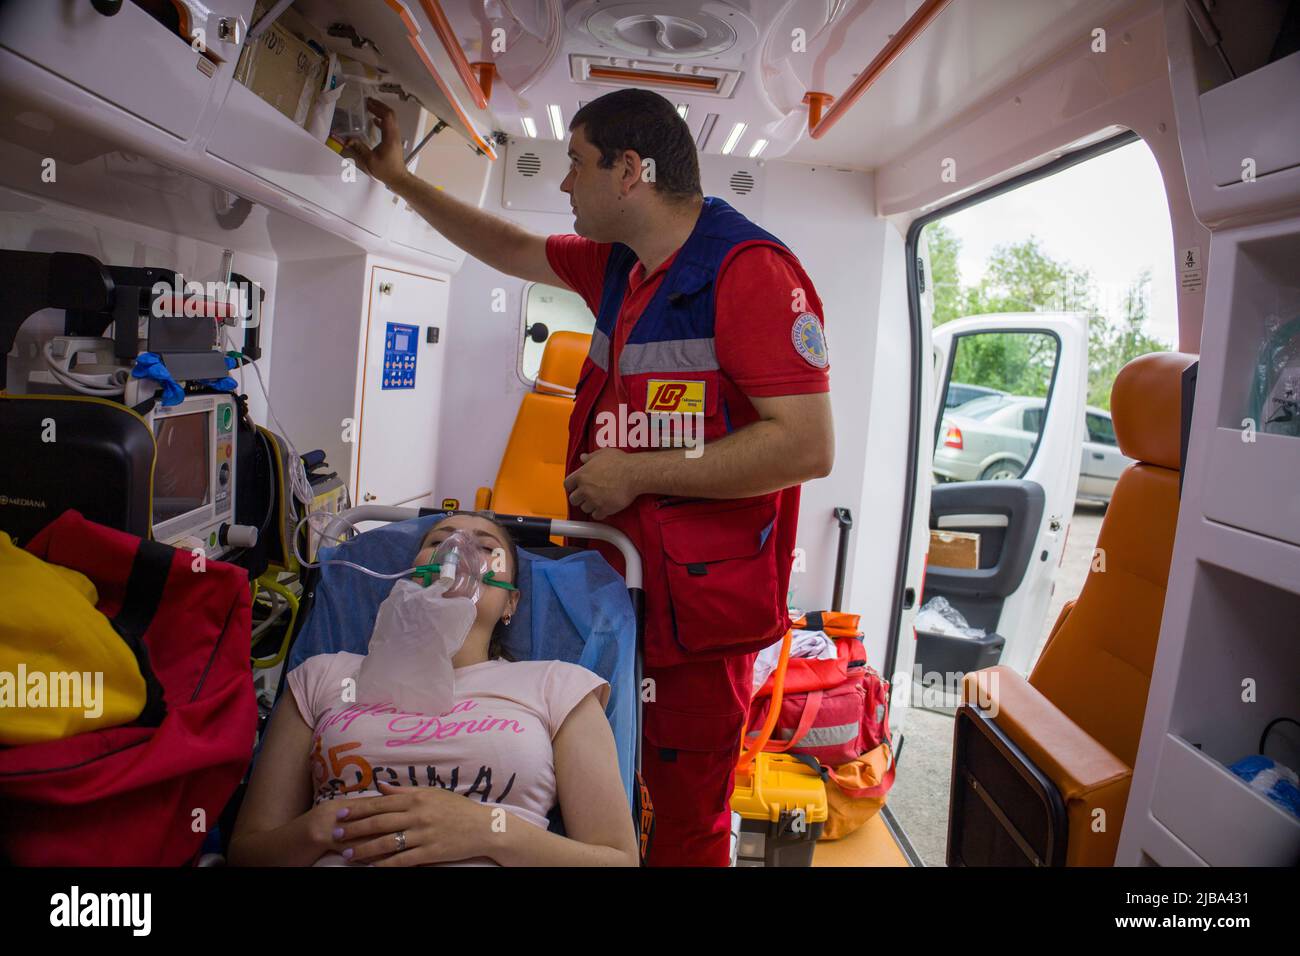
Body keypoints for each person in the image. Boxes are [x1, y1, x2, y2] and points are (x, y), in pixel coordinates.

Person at [343, 88, 834, 866]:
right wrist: (398, 179)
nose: (565, 184)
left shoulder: (751, 274)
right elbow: (505, 246)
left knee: (682, 820)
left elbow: (807, 447)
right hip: (610, 591)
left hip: (698, 621)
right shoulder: (618, 265)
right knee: (598, 800)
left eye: (576, 164)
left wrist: (636, 473)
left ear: (630, 171)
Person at [228, 513, 638, 866]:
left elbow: (618, 859)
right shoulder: (322, 677)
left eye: (486, 547)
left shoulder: (557, 685)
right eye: (438, 542)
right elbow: (247, 853)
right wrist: (319, 829)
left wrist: (488, 831)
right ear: (405, 578)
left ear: (511, 603)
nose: (458, 552)